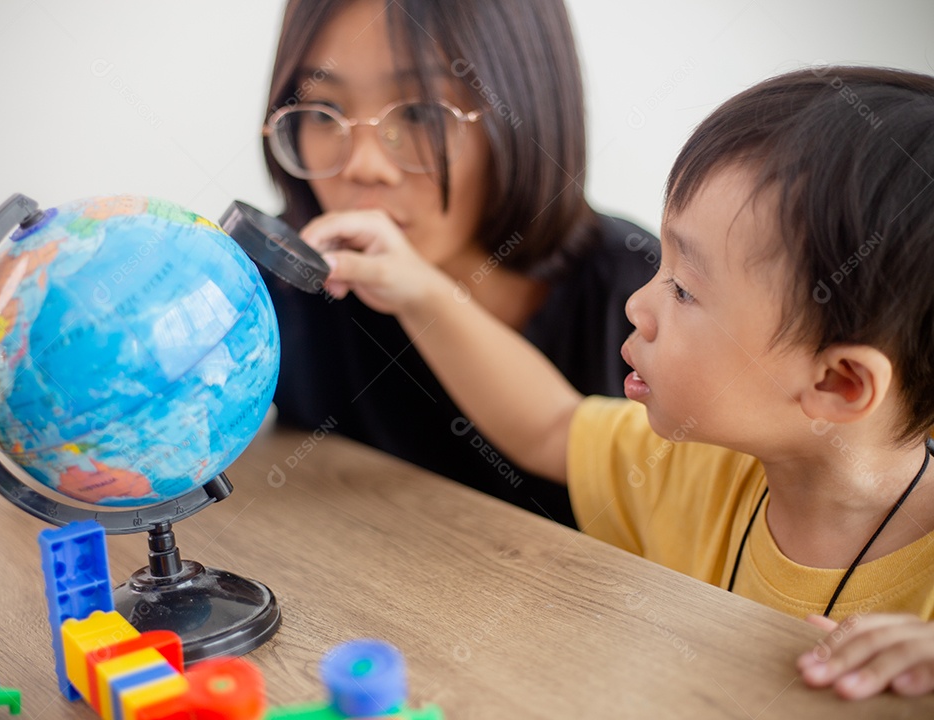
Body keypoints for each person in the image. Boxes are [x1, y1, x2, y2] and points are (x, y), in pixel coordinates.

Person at [299, 66, 934, 700]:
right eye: (662, 266)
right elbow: (550, 424)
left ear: (840, 384)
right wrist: (418, 289)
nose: (637, 304)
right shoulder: (690, 469)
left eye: (684, 290)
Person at [260, 0, 659, 527]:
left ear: (523, 110)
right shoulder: (280, 281)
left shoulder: (649, 295)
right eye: (321, 112)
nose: (363, 165)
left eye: (421, 113)